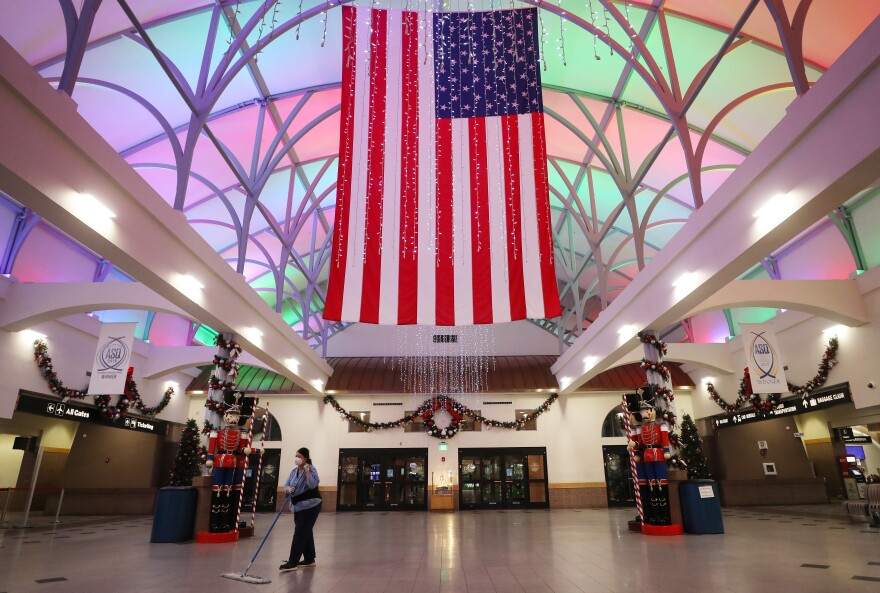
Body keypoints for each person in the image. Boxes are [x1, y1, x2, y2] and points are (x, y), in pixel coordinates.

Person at [279, 447, 321, 572]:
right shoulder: (293, 471)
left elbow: (313, 484)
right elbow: (286, 484)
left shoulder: (311, 469)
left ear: (305, 459)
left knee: (300, 532)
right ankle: (309, 559)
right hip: (297, 506)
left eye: (299, 456)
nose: (297, 458)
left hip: (311, 505)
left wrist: (307, 471)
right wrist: (287, 489)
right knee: (305, 530)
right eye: (296, 456)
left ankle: (293, 561)